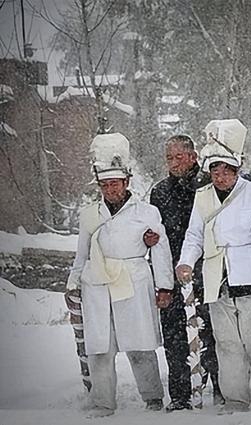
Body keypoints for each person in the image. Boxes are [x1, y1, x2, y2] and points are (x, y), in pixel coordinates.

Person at [176, 119, 251, 413]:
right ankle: (236, 397)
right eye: (215, 170)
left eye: (226, 170)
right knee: (227, 344)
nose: (220, 176)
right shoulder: (202, 197)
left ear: (237, 170)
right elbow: (194, 235)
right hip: (218, 277)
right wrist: (186, 262)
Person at [67, 133, 173, 418]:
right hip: (97, 285)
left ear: (126, 183)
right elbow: (82, 253)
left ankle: (152, 397)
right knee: (100, 346)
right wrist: (73, 284)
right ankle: (103, 401)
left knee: (140, 344)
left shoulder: (146, 212)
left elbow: (161, 252)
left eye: (115, 183)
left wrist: (165, 286)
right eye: (105, 184)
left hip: (134, 281)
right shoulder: (90, 214)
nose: (110, 189)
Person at [149, 135, 221, 411]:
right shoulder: (160, 191)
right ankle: (180, 394)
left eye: (180, 157)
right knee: (175, 336)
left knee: (210, 334)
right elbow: (156, 230)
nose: (174, 163)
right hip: (170, 269)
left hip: (206, 268)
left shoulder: (208, 184)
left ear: (193, 156)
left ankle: (219, 387)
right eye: (169, 158)